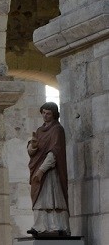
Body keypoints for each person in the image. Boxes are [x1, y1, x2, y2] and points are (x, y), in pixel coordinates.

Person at [27, 101, 69, 236]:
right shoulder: (40, 130)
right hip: (38, 167)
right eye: (43, 113)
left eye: (48, 113)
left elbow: (55, 152)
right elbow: (32, 152)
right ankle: (40, 226)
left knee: (53, 199)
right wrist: (32, 146)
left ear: (54, 115)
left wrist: (41, 170)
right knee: (39, 198)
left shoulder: (57, 129)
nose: (45, 116)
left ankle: (58, 226)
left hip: (51, 171)